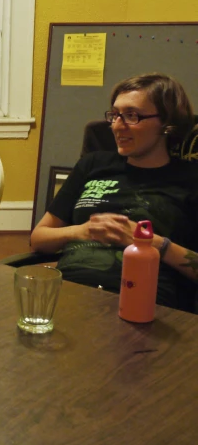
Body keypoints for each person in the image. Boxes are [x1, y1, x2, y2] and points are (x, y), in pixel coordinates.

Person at [31, 73, 198, 313]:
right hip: (69, 294)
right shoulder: (93, 165)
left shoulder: (191, 179)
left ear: (166, 123)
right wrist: (82, 230)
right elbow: (38, 238)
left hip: (147, 304)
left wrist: (152, 243)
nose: (117, 126)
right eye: (115, 115)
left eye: (132, 116)